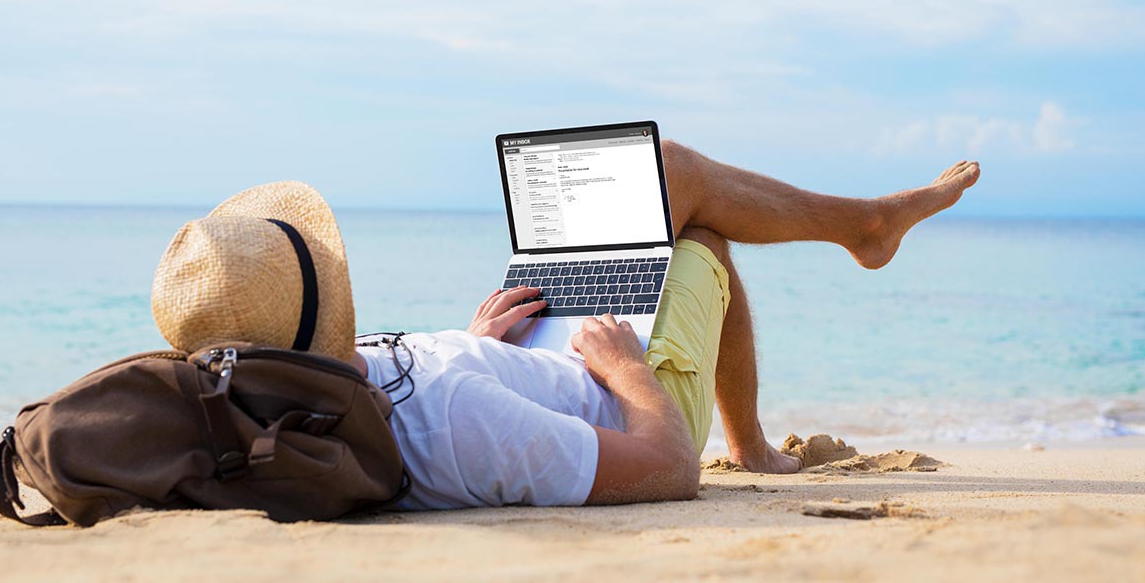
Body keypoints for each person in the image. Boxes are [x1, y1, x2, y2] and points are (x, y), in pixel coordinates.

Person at [151, 141, 980, 509]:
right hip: (629, 399)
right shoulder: (459, 422)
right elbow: (663, 472)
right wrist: (625, 372)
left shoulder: (299, 393)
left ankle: (863, 228)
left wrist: (472, 342)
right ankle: (861, 234)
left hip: (520, 354)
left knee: (670, 188)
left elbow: (418, 388)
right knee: (697, 223)